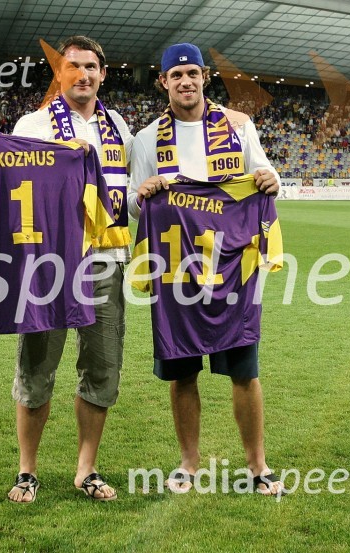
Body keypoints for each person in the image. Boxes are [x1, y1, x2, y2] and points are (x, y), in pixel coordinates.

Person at [127, 43, 288, 496]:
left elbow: (264, 178)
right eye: (176, 75)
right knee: (182, 374)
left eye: (193, 73)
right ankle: (188, 464)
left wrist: (272, 179)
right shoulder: (146, 138)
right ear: (163, 82)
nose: (185, 81)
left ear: (204, 78)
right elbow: (134, 207)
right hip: (176, 271)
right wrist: (145, 193)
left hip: (232, 268)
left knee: (244, 371)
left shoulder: (239, 126)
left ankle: (258, 466)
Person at [7, 35, 132, 503]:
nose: (83, 74)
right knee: (37, 366)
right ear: (59, 73)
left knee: (102, 367)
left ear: (103, 74)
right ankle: (26, 471)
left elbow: (130, 196)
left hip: (106, 261)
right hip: (51, 265)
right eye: (74, 66)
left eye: (92, 67)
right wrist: (64, 167)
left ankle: (86, 469)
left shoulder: (118, 125)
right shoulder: (34, 123)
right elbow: (13, 189)